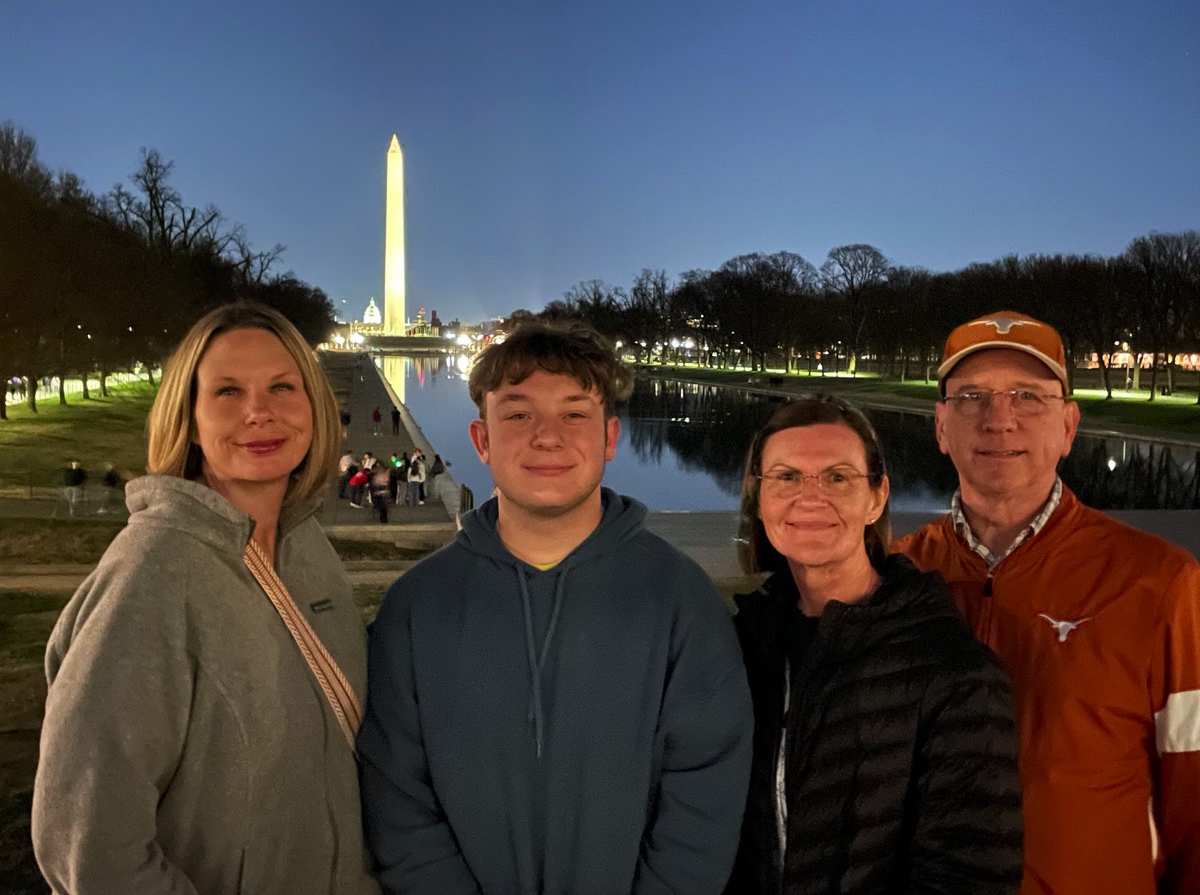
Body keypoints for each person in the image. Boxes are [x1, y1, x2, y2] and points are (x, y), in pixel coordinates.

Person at [358, 321, 753, 893]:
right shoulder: (416, 608)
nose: (547, 436)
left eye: (574, 414)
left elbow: (704, 794)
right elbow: (397, 801)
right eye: (518, 415)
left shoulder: (680, 600)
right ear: (481, 439)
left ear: (610, 438)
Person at [32, 302, 378, 893]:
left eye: (281, 386)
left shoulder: (307, 547)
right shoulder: (151, 574)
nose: (259, 411)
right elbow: (88, 845)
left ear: (314, 407)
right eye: (227, 392)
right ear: (189, 418)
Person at [897, 310, 1200, 895]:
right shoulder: (896, 576)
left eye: (1027, 396)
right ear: (940, 426)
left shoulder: (1161, 583)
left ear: (1067, 426)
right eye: (971, 396)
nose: (999, 419)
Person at [727, 395, 1022, 894]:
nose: (810, 496)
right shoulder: (738, 649)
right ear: (759, 497)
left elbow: (969, 878)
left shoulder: (954, 672)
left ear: (877, 497)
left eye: (838, 477)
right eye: (787, 476)